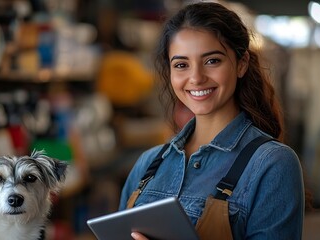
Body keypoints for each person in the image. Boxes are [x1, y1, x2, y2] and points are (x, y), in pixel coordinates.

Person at [118, 2, 306, 240]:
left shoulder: (272, 164)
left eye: (212, 61)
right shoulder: (147, 164)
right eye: (181, 65)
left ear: (241, 63)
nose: (196, 78)